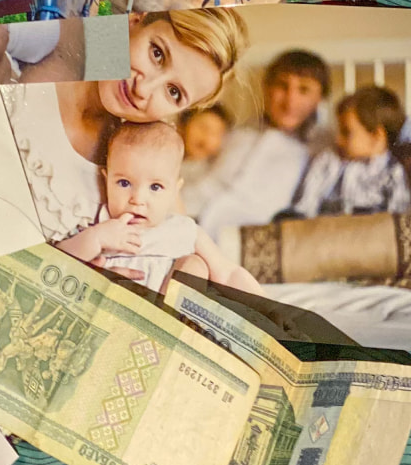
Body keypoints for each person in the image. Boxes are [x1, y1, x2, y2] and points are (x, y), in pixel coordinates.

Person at [3, 7, 250, 259]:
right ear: (135, 21)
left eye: (173, 92)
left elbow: (190, 253)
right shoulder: (50, 37)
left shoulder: (136, 156)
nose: (143, 89)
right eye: (157, 54)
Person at [56, 121, 259, 295]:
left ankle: (176, 317)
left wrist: (270, 308)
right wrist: (95, 238)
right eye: (124, 183)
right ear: (106, 180)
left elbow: (229, 273)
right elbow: (56, 260)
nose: (138, 199)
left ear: (174, 191)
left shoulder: (183, 230)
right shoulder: (98, 223)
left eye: (155, 187)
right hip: (110, 315)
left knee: (195, 266)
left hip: (165, 320)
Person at [189, 49, 332, 241]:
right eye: (282, 86)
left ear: (320, 98)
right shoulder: (238, 133)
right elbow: (198, 167)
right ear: (267, 88)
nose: (290, 100)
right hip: (190, 209)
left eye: (304, 90)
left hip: (241, 231)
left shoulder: (322, 148)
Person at [280, 86, 410, 219]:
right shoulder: (328, 162)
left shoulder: (393, 172)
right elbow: (306, 203)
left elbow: (398, 216)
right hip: (325, 233)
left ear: (376, 137)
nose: (338, 140)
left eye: (346, 132)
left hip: (372, 235)